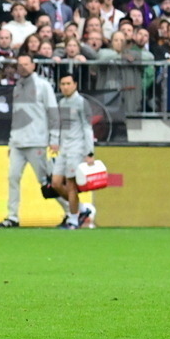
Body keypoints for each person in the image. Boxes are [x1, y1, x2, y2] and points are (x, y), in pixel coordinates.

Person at [0, 55, 64, 228]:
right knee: (13, 177)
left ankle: (73, 209)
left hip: (37, 141)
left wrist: (54, 139)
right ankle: (12, 217)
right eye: (20, 65)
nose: (23, 67)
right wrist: (11, 142)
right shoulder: (17, 87)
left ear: (33, 65)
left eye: (26, 64)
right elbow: (17, 117)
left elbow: (53, 113)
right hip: (18, 143)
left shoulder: (43, 85)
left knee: (46, 181)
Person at [53, 74, 97, 229]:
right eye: (62, 83)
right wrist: (56, 142)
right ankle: (83, 209)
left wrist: (89, 152)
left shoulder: (81, 103)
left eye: (68, 83)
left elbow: (87, 127)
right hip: (64, 148)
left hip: (77, 147)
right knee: (56, 183)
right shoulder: (62, 102)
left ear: (75, 85)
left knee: (71, 184)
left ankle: (73, 220)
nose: (65, 87)